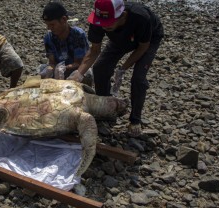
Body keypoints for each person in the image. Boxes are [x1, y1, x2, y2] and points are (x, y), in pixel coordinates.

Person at [67, 0, 164, 137]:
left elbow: (142, 47)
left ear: (123, 16)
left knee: (138, 78)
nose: (104, 26)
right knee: (100, 67)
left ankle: (135, 120)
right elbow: (94, 51)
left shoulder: (141, 17)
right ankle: (106, 109)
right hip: (121, 37)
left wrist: (122, 69)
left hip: (148, 39)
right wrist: (79, 73)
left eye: (108, 23)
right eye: (101, 23)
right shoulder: (98, 20)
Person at [39, 2, 93, 85]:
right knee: (41, 72)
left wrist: (64, 68)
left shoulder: (78, 35)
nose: (49, 28)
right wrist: (50, 70)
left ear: (64, 19)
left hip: (76, 68)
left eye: (52, 24)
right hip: (58, 70)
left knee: (86, 75)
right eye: (47, 25)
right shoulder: (48, 37)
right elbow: (52, 62)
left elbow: (79, 63)